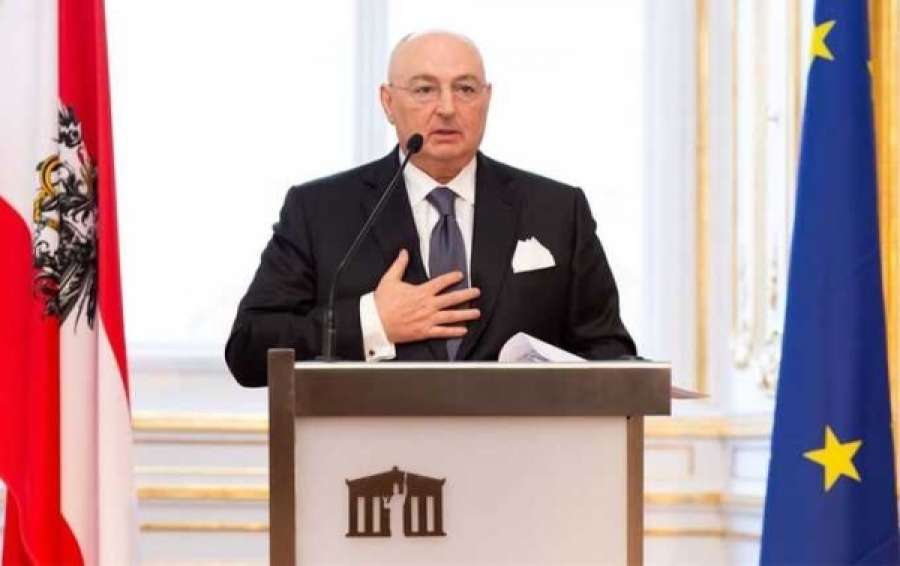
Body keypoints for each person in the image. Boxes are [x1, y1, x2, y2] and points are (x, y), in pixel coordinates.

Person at [225, 31, 636, 387]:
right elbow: (248, 349)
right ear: (388, 102)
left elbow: (609, 351)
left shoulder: (557, 210)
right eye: (424, 89)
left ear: (487, 99)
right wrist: (372, 322)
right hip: (377, 449)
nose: (447, 107)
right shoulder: (320, 210)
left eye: (466, 89)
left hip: (521, 445)